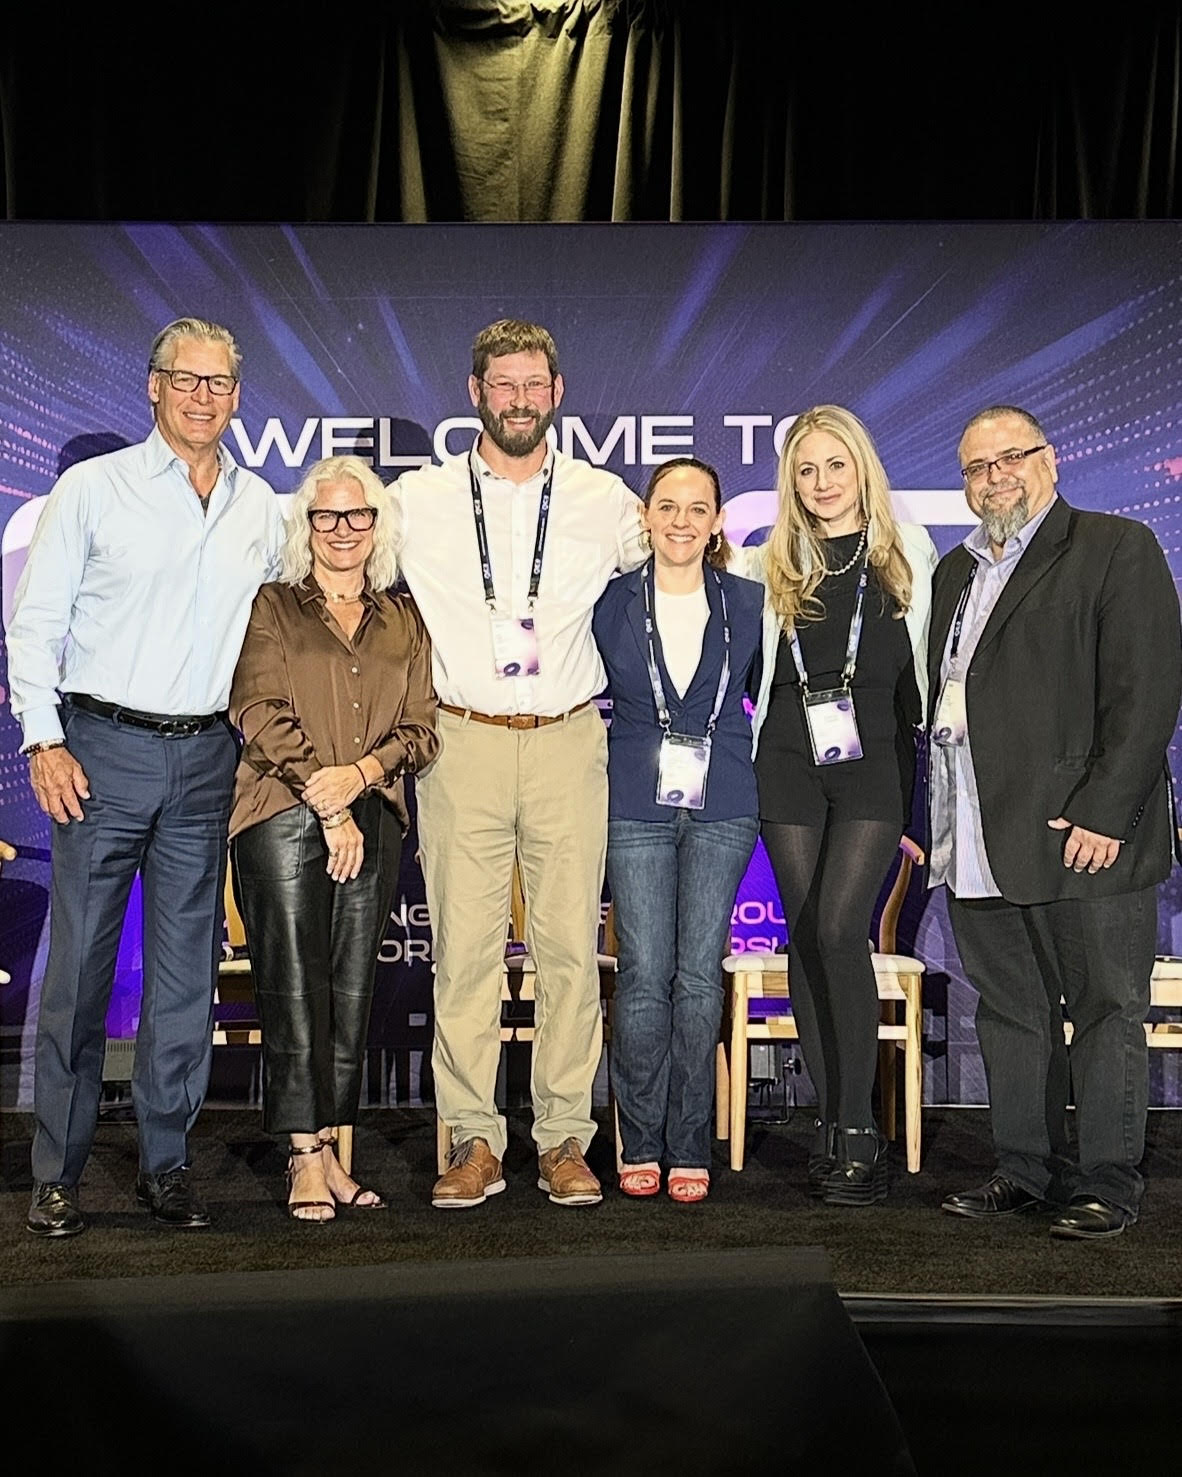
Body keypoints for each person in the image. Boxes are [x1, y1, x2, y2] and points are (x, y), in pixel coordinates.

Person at [7, 317, 285, 1237]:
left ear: (237, 397)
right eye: (186, 379)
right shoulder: (95, 488)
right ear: (154, 385)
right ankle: (57, 1172)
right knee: (80, 976)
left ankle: (168, 1163)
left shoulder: (261, 506)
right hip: (100, 751)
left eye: (219, 382)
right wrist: (43, 741)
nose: (203, 397)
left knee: (184, 977)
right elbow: (34, 624)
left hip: (207, 757)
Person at [393, 318, 645, 1209]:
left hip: (568, 737)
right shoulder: (417, 500)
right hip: (461, 739)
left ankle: (565, 1138)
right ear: (475, 393)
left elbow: (686, 558)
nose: (520, 399)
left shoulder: (604, 500)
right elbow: (325, 550)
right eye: (503, 384)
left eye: (535, 383)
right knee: (464, 955)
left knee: (569, 949)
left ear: (558, 392)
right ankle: (473, 1140)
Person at [931, 406, 1181, 1239]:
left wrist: (1106, 811)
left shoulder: (1115, 546)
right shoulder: (954, 572)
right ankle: (1025, 1169)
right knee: (1011, 1012)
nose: (994, 476)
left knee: (1107, 1007)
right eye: (977, 466)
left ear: (1051, 459)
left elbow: (1147, 691)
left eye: (1011, 457)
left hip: (1084, 832)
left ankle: (1107, 1180)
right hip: (978, 831)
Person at [228, 455, 438, 1221]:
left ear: (377, 525)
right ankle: (303, 1156)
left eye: (357, 514)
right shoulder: (273, 605)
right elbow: (257, 709)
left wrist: (361, 777)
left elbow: (421, 727)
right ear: (305, 525)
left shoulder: (404, 617)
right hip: (280, 811)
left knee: (350, 990)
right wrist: (328, 798)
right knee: (293, 983)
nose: (342, 529)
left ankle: (332, 1149)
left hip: (372, 813)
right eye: (326, 515)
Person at [743, 405, 936, 1205]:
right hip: (788, 761)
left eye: (835, 465)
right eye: (806, 469)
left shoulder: (908, 552)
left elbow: (928, 673)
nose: (821, 483)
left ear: (862, 468)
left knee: (836, 928)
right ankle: (831, 1122)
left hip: (872, 765)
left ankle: (860, 1126)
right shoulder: (768, 560)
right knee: (805, 936)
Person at [593, 458, 762, 1202]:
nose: (682, 521)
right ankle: (641, 1139)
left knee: (697, 974)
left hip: (724, 798)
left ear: (718, 520)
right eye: (667, 506)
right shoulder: (610, 602)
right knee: (642, 972)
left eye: (698, 508)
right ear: (646, 516)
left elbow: (773, 697)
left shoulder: (751, 602)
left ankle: (690, 1142)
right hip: (635, 797)